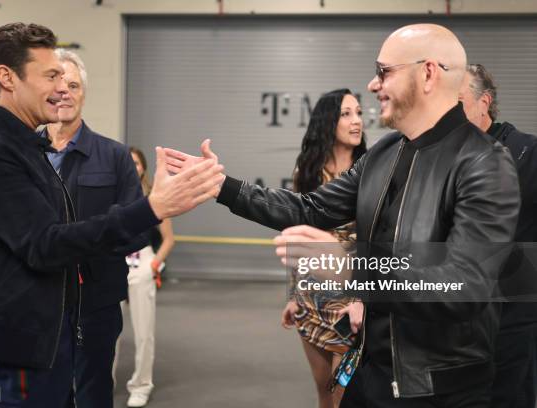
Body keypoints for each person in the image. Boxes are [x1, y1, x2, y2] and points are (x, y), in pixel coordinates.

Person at [164, 23, 520, 406]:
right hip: (370, 371)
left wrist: (352, 266)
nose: (372, 84)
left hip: (438, 390)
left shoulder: (484, 162)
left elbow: (463, 287)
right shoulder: (385, 154)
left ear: (428, 73)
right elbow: (311, 207)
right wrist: (223, 187)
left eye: (384, 71)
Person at [0, 22, 223, 407]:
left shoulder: (28, 146)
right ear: (7, 77)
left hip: (53, 334)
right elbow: (44, 243)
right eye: (50, 75)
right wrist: (151, 207)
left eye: (67, 79)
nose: (60, 87)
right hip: (18, 351)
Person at [40, 49, 145, 408]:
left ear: (83, 93)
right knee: (42, 393)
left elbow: (138, 229)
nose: (64, 91)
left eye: (73, 84)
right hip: (37, 302)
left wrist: (86, 248)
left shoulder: (114, 156)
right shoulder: (21, 154)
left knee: (93, 392)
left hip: (95, 302)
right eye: (56, 82)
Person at [281, 89, 366, 408]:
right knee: (322, 391)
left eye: (359, 113)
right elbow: (297, 238)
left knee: (342, 392)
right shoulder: (307, 173)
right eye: (347, 114)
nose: (356, 121)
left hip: (350, 301)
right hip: (310, 299)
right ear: (328, 121)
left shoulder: (371, 171)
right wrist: (292, 297)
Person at [459, 63, 537, 408]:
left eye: (457, 102)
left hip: (512, 324)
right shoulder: (440, 157)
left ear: (484, 101)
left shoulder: (528, 153)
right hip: (452, 324)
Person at [115, 147, 176, 407]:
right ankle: (101, 380)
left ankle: (141, 385)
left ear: (143, 167)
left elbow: (169, 239)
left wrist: (154, 265)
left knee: (143, 331)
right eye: (129, 162)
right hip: (114, 263)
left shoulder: (155, 197)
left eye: (137, 163)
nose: (133, 166)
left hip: (143, 264)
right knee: (107, 330)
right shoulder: (112, 195)